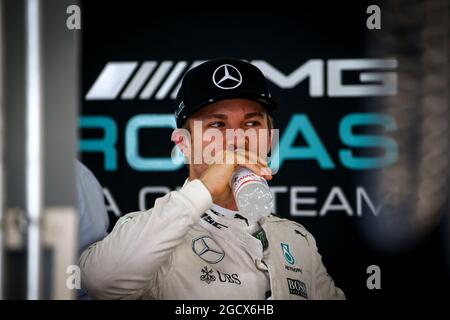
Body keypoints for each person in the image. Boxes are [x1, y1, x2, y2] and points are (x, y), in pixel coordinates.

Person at [79, 58, 345, 300]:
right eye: (217, 125)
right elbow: (98, 282)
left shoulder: (297, 239)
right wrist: (204, 189)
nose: (238, 139)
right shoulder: (148, 232)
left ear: (269, 137)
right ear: (183, 144)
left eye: (252, 123)